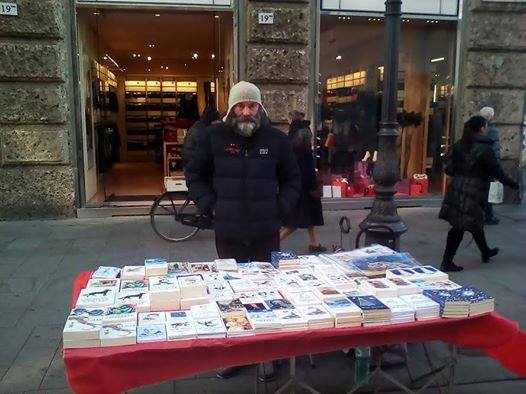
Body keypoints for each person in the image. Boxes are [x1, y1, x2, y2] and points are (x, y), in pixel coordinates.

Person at [185, 81, 301, 380]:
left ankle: (266, 354)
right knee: (231, 295)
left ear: (260, 109)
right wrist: (210, 205)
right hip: (229, 231)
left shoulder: (276, 140)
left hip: (266, 231)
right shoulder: (214, 138)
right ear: (232, 109)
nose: (247, 111)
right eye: (241, 105)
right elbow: (195, 175)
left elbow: (292, 179)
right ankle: (236, 353)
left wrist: (281, 208)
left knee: (267, 293)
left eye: (252, 105)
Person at [439, 115, 519, 272]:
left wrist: (458, 173)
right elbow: (497, 171)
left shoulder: (461, 144)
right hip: (473, 191)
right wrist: (512, 183)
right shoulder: (485, 149)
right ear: (482, 128)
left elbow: (448, 165)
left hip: (457, 188)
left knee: (473, 221)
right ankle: (447, 262)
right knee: (459, 227)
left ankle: (485, 251)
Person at [280, 111, 326, 252]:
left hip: (301, 187)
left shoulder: (294, 144)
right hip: (305, 187)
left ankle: (313, 243)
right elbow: (307, 170)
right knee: (296, 221)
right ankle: (273, 241)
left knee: (304, 218)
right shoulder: (304, 146)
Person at [479, 106, 501, 225]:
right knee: (488, 191)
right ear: (489, 116)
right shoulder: (492, 130)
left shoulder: (479, 128)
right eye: (492, 114)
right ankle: (488, 216)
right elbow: (492, 149)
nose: (494, 117)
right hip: (489, 165)